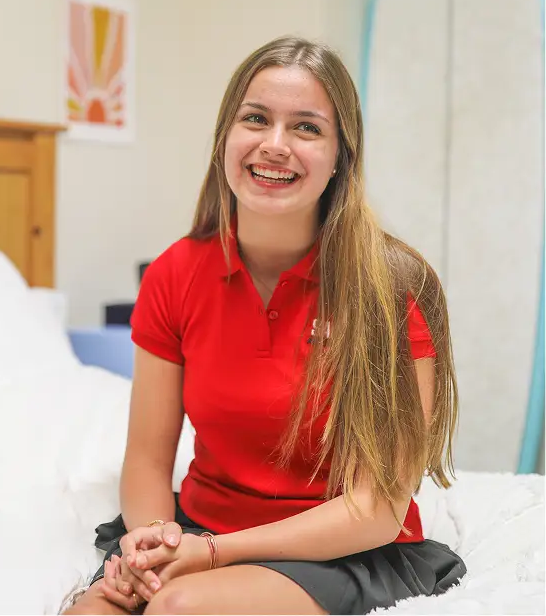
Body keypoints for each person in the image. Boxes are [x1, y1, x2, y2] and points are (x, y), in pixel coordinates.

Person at [63, 36, 466, 615]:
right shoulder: (175, 272)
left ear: (339, 157)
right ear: (226, 137)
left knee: (181, 608)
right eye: (256, 119)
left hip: (338, 551)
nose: (274, 145)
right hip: (198, 532)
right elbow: (150, 459)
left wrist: (214, 553)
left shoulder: (392, 288)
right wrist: (156, 540)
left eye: (306, 128)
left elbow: (376, 509)